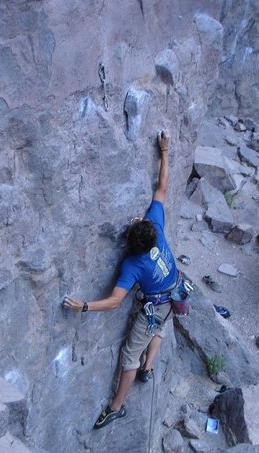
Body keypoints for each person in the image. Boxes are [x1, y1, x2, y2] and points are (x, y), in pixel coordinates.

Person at [63, 130, 179, 429]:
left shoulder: (133, 265)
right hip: (174, 293)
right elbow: (162, 187)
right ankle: (150, 367)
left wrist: (84, 306)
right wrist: (165, 151)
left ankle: (116, 406)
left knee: (129, 355)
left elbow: (116, 302)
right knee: (162, 324)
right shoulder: (157, 225)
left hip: (155, 305)